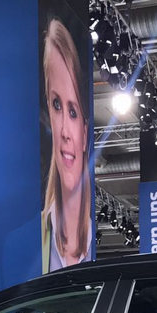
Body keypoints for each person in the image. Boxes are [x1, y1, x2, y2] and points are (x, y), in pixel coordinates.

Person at [40, 17, 92, 273]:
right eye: (56, 105)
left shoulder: (90, 242)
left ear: (84, 131)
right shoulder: (31, 239)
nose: (64, 132)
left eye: (72, 111)